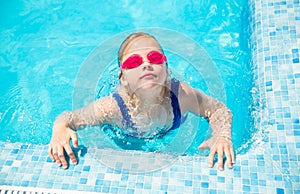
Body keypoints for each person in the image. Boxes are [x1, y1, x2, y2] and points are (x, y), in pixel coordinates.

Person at [48, 32, 234, 170]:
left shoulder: (181, 95)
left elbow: (218, 110)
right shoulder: (111, 108)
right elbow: (69, 118)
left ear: (166, 70)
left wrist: (221, 135)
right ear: (123, 77)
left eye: (154, 58)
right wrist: (59, 130)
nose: (146, 64)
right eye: (134, 62)